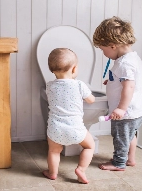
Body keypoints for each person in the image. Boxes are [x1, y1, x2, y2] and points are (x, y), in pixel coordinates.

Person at [93, 16, 142, 171]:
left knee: (121, 138)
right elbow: (127, 81)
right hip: (137, 110)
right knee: (130, 136)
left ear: (113, 46)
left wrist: (121, 109)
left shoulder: (124, 63)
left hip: (126, 112)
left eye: (103, 50)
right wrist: (111, 82)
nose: (103, 53)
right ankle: (130, 159)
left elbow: (129, 87)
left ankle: (119, 163)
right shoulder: (131, 57)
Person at [42, 48, 96, 184]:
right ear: (74, 69)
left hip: (55, 129)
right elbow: (91, 100)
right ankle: (81, 170)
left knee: (54, 151)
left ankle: (52, 173)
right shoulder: (79, 85)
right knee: (89, 146)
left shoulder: (49, 86)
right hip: (76, 128)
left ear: (51, 70)